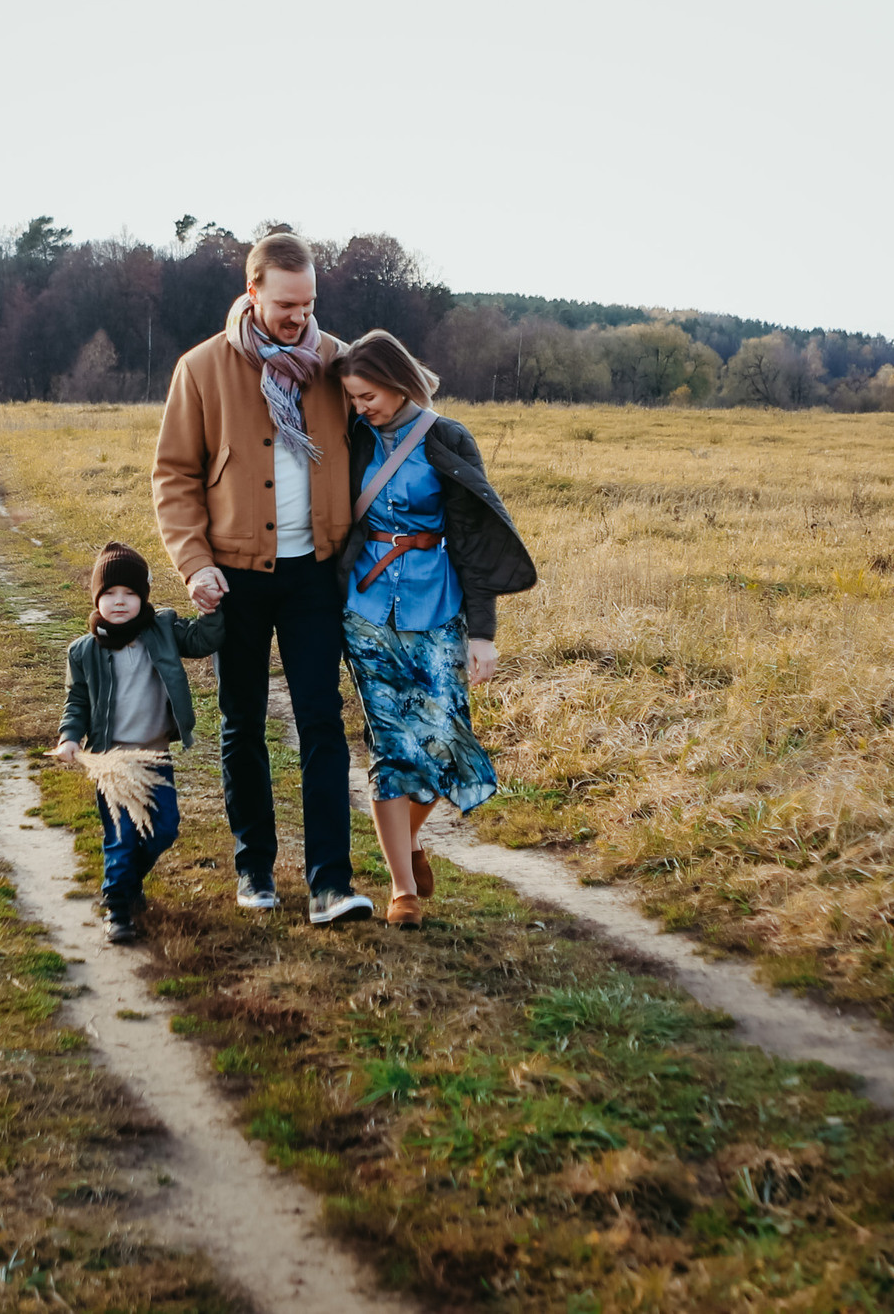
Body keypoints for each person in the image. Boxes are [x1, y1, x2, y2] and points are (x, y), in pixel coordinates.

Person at [151, 233, 375, 926]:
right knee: (242, 723)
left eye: (308, 304)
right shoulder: (202, 369)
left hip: (315, 577)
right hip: (234, 577)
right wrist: (195, 564)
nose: (297, 318)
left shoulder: (337, 363)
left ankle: (330, 883)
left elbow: (389, 422)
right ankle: (254, 868)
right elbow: (175, 476)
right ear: (253, 292)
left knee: (321, 722)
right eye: (284, 304)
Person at [332, 329, 537, 928]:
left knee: (443, 744)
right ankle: (402, 888)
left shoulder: (448, 438)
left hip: (438, 605)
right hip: (364, 608)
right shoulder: (351, 439)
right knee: (391, 746)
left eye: (367, 396)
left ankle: (413, 842)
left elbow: (472, 541)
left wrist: (483, 634)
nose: (359, 407)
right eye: (351, 397)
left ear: (398, 383)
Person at [53, 542, 226, 943]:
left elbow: (201, 641)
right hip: (112, 762)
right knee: (121, 835)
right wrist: (69, 737)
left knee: (162, 830)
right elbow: (76, 701)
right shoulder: (84, 651)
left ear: (142, 597)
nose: (119, 602)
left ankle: (129, 882)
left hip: (155, 757)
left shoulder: (162, 629)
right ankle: (117, 907)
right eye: (109, 594)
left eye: (129, 594)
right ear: (97, 598)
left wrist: (211, 612)